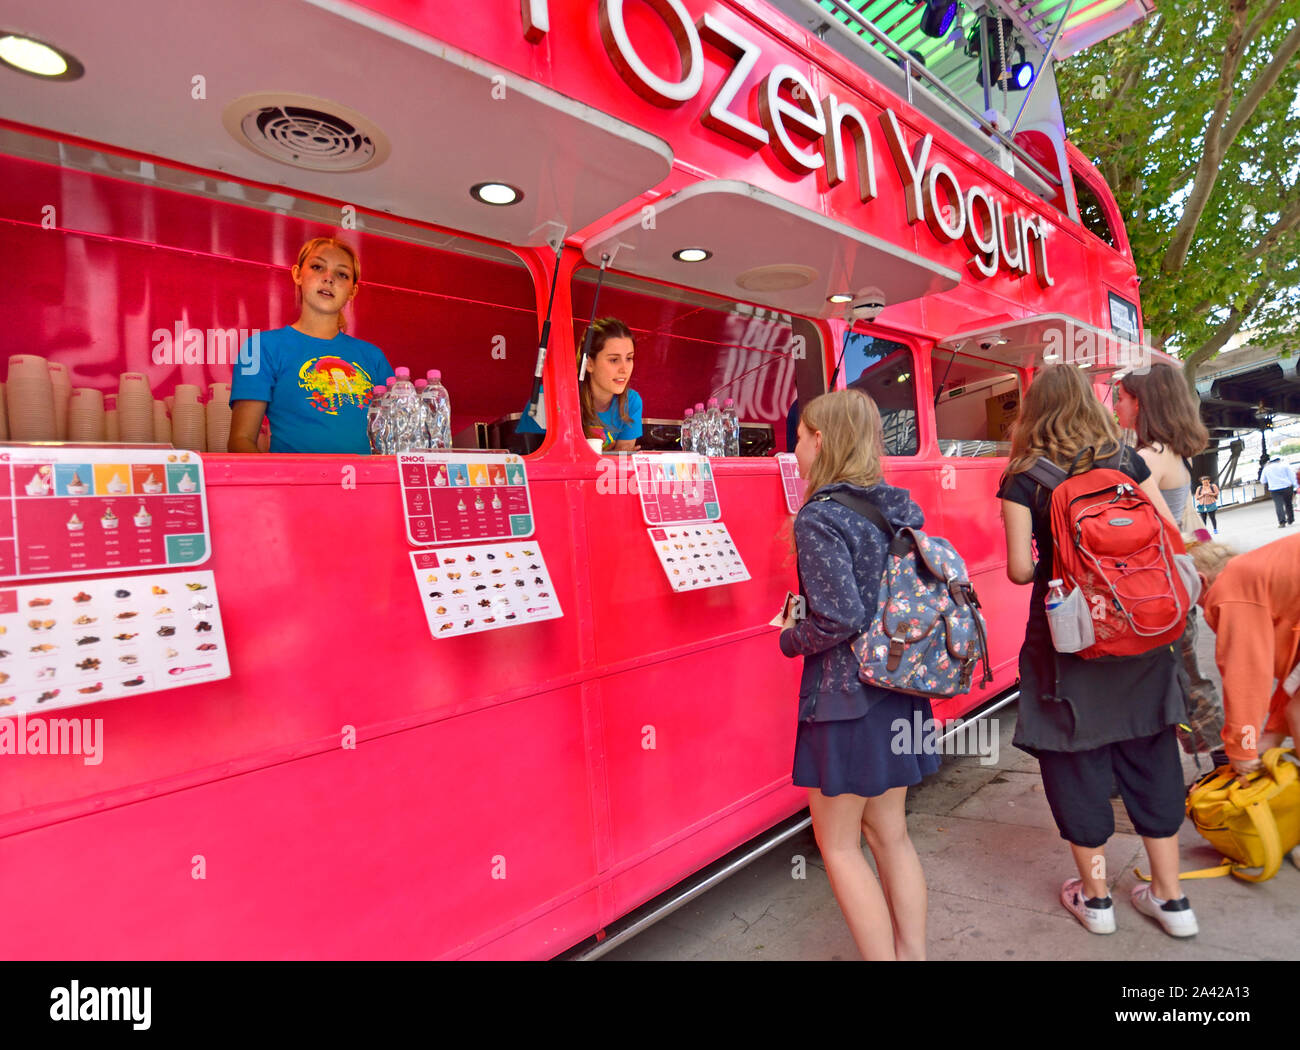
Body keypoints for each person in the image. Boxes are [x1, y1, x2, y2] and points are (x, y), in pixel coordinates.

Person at [998, 364, 1197, 938]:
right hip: (1140, 632)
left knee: (1077, 756)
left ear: (1034, 411)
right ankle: (1172, 899)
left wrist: (1061, 563)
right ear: (1091, 403)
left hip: (1068, 643)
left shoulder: (1023, 477)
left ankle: (1098, 899)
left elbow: (1018, 570)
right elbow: (1166, 531)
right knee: (1151, 748)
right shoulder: (1128, 461)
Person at [778, 389, 937, 960]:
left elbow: (840, 616)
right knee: (890, 833)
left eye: (800, 436)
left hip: (847, 700)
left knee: (839, 845)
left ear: (821, 440)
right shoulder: (900, 506)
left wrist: (790, 639)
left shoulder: (820, 517)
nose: (794, 448)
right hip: (903, 687)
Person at [1116, 363, 1225, 766]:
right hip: (1174, 586)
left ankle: (1227, 764)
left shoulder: (1144, 457)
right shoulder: (1171, 453)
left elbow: (1156, 525)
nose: (1118, 405)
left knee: (1184, 681)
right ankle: (1222, 760)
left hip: (1160, 591)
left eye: (1123, 397)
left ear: (1142, 403)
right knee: (1186, 677)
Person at [229, 236, 392, 454]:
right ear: (297, 274)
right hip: (292, 486)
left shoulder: (373, 356)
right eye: (317, 267)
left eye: (342, 274)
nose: (329, 279)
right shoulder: (260, 348)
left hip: (368, 485)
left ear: (353, 291)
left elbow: (394, 440)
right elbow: (241, 441)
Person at [516, 317, 641, 451]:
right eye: (614, 360)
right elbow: (530, 458)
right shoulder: (548, 398)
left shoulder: (631, 401)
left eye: (629, 358)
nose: (624, 369)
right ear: (589, 363)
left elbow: (621, 464)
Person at [1259, 454, 1298, 527]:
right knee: (1288, 504)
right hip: (1286, 487)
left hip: (1274, 490)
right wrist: (1296, 486)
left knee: (1278, 505)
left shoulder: (1266, 469)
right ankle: (1290, 519)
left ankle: (1282, 522)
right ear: (1279, 460)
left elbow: (1262, 481)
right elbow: (1292, 476)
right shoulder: (1285, 466)